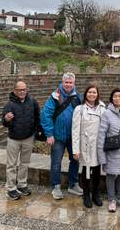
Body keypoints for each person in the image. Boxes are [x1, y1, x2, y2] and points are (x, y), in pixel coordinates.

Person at [40, 72, 83, 200]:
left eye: (70, 82)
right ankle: (56, 186)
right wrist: (49, 134)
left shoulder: (78, 97)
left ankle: (73, 184)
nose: (68, 85)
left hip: (72, 136)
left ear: (74, 83)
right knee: (56, 162)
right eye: (66, 82)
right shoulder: (55, 97)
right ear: (62, 82)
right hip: (57, 136)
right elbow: (46, 115)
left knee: (75, 159)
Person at [1, 81, 40, 200]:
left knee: (25, 163)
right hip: (13, 139)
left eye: (24, 89)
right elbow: (4, 123)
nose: (22, 92)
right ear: (15, 91)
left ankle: (22, 184)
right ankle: (11, 188)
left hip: (28, 138)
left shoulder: (32, 102)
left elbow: (37, 116)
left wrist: (37, 132)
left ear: (27, 90)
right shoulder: (9, 105)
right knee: (11, 164)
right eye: (19, 90)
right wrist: (6, 119)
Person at [72, 84, 106, 208]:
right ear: (86, 94)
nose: (92, 94)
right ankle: (86, 194)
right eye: (90, 92)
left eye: (94, 92)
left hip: (97, 145)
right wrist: (76, 149)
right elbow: (75, 131)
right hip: (85, 145)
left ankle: (96, 193)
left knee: (97, 171)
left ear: (97, 94)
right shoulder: (79, 109)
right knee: (85, 171)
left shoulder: (102, 109)